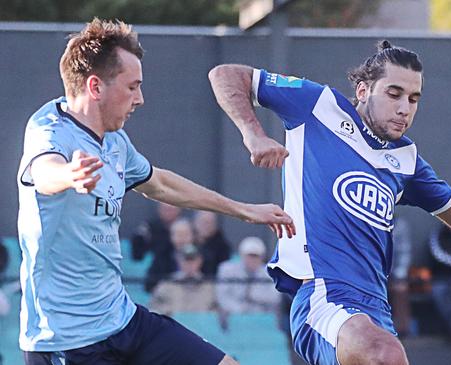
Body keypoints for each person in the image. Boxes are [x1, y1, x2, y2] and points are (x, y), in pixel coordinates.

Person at [208, 40, 451, 365]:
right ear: (363, 90)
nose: (405, 108)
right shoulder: (319, 106)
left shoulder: (406, 159)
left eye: (414, 98)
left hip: (376, 308)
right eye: (394, 93)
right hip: (323, 294)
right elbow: (226, 75)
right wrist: (253, 135)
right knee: (385, 354)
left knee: (385, 351)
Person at [16, 19, 294, 365]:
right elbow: (43, 173)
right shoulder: (48, 130)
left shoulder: (115, 140)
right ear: (95, 86)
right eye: (132, 87)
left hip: (123, 321)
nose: (140, 99)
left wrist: (244, 210)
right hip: (67, 343)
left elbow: (160, 184)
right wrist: (70, 175)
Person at [215, 236, 281, 318]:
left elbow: (275, 298)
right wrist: (240, 310)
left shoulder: (270, 272)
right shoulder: (227, 270)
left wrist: (254, 295)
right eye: (249, 255)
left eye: (255, 256)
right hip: (233, 316)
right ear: (241, 255)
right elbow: (223, 297)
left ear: (262, 257)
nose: (252, 259)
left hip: (261, 317)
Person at [149, 244, 217, 316]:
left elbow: (217, 311)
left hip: (201, 326)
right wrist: (167, 312)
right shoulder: (167, 283)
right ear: (179, 260)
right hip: (173, 325)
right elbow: (153, 308)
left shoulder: (209, 286)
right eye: (186, 260)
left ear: (200, 261)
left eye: (192, 260)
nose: (189, 264)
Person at [130, 202, 182, 291]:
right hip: (156, 275)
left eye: (171, 209)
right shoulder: (149, 228)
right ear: (160, 210)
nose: (169, 212)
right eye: (166, 209)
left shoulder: (185, 227)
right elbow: (137, 255)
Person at [193, 210, 232, 276]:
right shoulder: (188, 241)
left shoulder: (222, 247)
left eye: (209, 223)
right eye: (203, 222)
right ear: (195, 223)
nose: (206, 226)